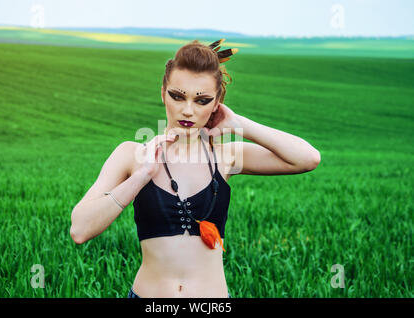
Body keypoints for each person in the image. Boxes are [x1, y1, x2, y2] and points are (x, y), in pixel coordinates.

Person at [70, 39, 321, 298]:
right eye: (177, 96)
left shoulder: (225, 156)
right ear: (162, 93)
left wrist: (239, 123)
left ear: (217, 102)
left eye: (202, 100)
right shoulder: (131, 155)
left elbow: (307, 158)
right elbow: (80, 229)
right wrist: (141, 176)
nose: (187, 110)